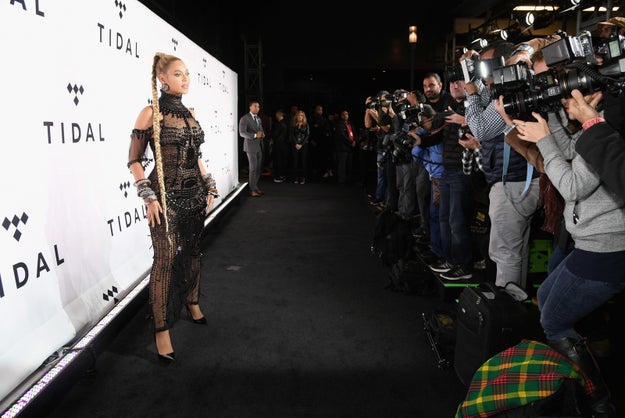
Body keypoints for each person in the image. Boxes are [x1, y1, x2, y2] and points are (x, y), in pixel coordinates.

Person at [513, 88, 625, 418]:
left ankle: (598, 403)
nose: (565, 97)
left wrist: (544, 138)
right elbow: (568, 151)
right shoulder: (594, 126)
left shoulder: (608, 127)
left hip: (607, 248)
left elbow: (573, 184)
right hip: (590, 243)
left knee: (553, 320)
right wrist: (549, 121)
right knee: (547, 296)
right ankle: (575, 378)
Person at [127, 52, 218, 363]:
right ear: (162, 78)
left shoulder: (190, 114)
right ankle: (161, 329)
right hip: (165, 200)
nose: (186, 79)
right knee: (164, 261)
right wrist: (148, 196)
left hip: (195, 197)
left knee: (193, 252)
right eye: (179, 74)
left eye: (188, 74)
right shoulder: (150, 113)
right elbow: (134, 160)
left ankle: (192, 301)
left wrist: (210, 182)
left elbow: (196, 157)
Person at [461, 40, 541, 290]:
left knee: (505, 252)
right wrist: (470, 72)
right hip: (519, 180)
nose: (484, 72)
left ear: (504, 63)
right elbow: (485, 99)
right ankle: (516, 306)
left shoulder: (510, 89)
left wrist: (472, 94)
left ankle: (507, 315)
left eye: (488, 66)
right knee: (516, 249)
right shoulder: (505, 84)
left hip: (516, 183)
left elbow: (481, 128)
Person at [427, 77, 476, 280]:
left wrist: (462, 120)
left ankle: (463, 265)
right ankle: (450, 260)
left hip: (463, 172)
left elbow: (483, 133)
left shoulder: (474, 107)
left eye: (460, 82)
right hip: (447, 170)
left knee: (457, 220)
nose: (455, 86)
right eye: (452, 84)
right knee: (444, 218)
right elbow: (435, 133)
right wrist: (419, 140)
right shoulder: (450, 108)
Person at [239, 99, 265, 197]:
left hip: (259, 146)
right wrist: (255, 135)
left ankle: (255, 186)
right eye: (255, 106)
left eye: (258, 106)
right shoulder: (245, 118)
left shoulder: (258, 119)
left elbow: (261, 130)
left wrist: (263, 134)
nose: (257, 108)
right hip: (250, 147)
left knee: (258, 169)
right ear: (250, 107)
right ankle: (252, 189)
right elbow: (242, 133)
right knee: (253, 169)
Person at [333, 109, 356, 184]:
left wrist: (355, 141)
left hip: (350, 148)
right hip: (343, 148)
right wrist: (351, 142)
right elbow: (342, 136)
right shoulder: (339, 124)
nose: (345, 115)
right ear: (341, 116)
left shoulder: (350, 124)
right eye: (343, 114)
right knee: (342, 165)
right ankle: (341, 181)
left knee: (349, 165)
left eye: (346, 114)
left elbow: (354, 133)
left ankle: (348, 180)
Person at [289, 109, 310, 184]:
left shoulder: (306, 124)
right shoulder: (293, 124)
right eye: (299, 115)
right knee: (295, 161)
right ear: (296, 116)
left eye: (301, 115)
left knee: (303, 161)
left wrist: (301, 144)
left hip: (304, 145)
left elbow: (307, 135)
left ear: (303, 117)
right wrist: (296, 144)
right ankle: (296, 178)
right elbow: (292, 135)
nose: (300, 116)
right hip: (295, 145)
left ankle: (303, 178)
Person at [270, 108, 289, 183]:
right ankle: (282, 175)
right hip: (284, 144)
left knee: (278, 160)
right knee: (282, 160)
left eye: (276, 114)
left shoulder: (280, 124)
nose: (275, 116)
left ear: (279, 115)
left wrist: (271, 138)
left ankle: (279, 176)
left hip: (279, 144)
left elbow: (275, 134)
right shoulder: (285, 123)